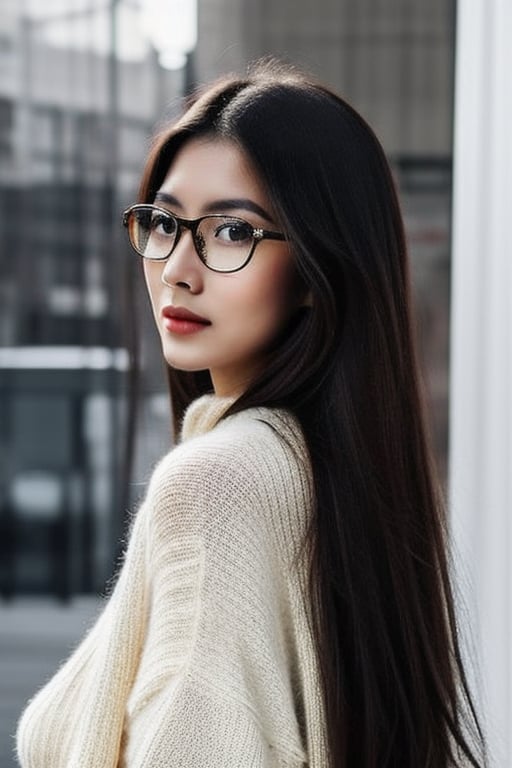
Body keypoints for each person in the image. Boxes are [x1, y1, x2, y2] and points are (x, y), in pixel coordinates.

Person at [17, 59, 485, 767]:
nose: (177, 265)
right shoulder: (332, 476)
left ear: (316, 271)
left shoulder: (217, 484)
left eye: (233, 232)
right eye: (164, 221)